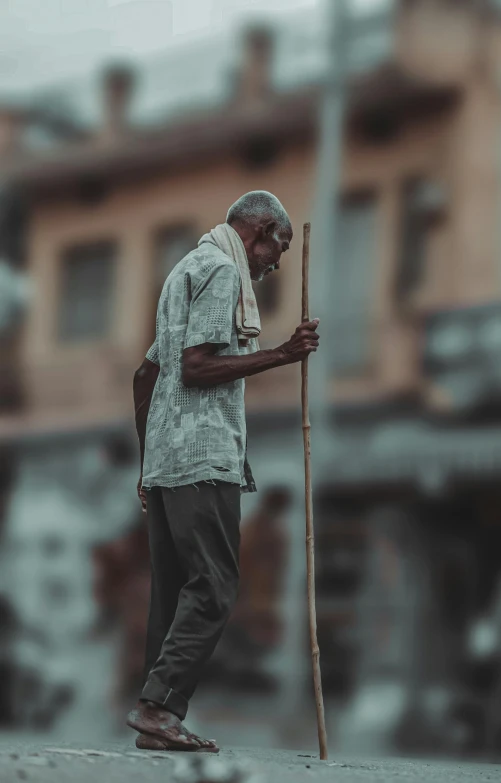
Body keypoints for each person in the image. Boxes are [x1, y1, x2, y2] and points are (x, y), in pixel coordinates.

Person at [127, 190, 320, 753]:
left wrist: (147, 461)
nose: (276, 262)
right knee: (213, 584)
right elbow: (195, 366)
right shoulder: (220, 270)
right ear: (258, 231)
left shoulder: (184, 268)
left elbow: (146, 374)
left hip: (168, 460)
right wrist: (284, 354)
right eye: (275, 248)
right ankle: (158, 706)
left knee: (175, 590)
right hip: (202, 454)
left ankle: (155, 716)